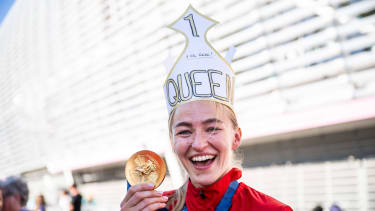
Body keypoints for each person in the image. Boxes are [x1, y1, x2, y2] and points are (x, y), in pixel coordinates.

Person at [120, 5, 293, 211]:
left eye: (212, 128)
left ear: (235, 137)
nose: (199, 144)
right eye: (184, 131)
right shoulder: (157, 208)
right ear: (172, 141)